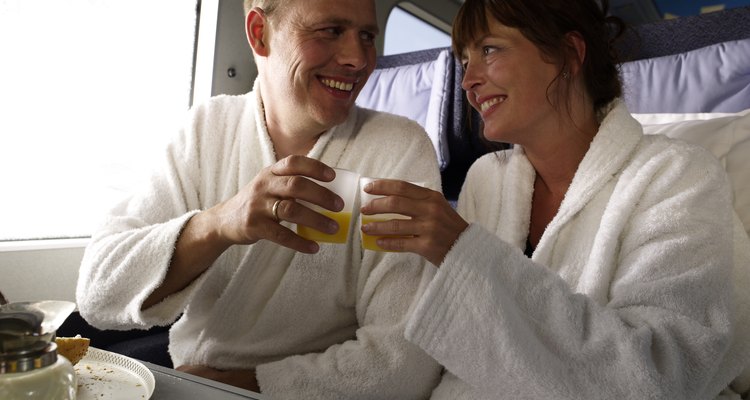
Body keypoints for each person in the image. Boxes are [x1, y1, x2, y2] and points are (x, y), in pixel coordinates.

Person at [360, 0, 750, 398]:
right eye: (464, 61)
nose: (468, 81)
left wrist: (461, 251)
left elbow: (659, 374)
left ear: (570, 54)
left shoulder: (676, 175)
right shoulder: (485, 180)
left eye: (489, 50)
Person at [75, 0, 443, 397]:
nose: (357, 58)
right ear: (259, 33)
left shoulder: (397, 151)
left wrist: (244, 385)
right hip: (189, 375)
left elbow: (404, 360)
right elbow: (99, 291)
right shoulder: (208, 130)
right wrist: (219, 224)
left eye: (367, 36)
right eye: (330, 31)